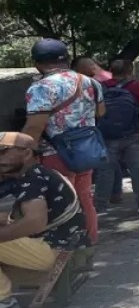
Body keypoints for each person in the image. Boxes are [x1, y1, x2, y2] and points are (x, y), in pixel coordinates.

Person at [21, 39, 103, 245]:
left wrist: (19, 150)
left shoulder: (40, 88)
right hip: (86, 150)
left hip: (54, 153)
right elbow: (101, 111)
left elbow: (34, 127)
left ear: (36, 62)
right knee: (84, 198)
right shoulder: (90, 82)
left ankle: (66, 248)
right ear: (66, 59)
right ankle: (89, 242)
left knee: (60, 200)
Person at [0, 132, 88, 308]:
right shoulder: (39, 174)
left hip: (57, 251)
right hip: (64, 246)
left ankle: (4, 302)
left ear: (26, 153)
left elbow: (35, 221)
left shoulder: (32, 179)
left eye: (3, 152)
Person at [97, 59, 139, 213]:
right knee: (138, 169)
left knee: (105, 171)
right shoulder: (138, 87)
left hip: (108, 136)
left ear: (111, 70)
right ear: (130, 71)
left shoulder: (100, 88)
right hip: (133, 135)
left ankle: (101, 205)